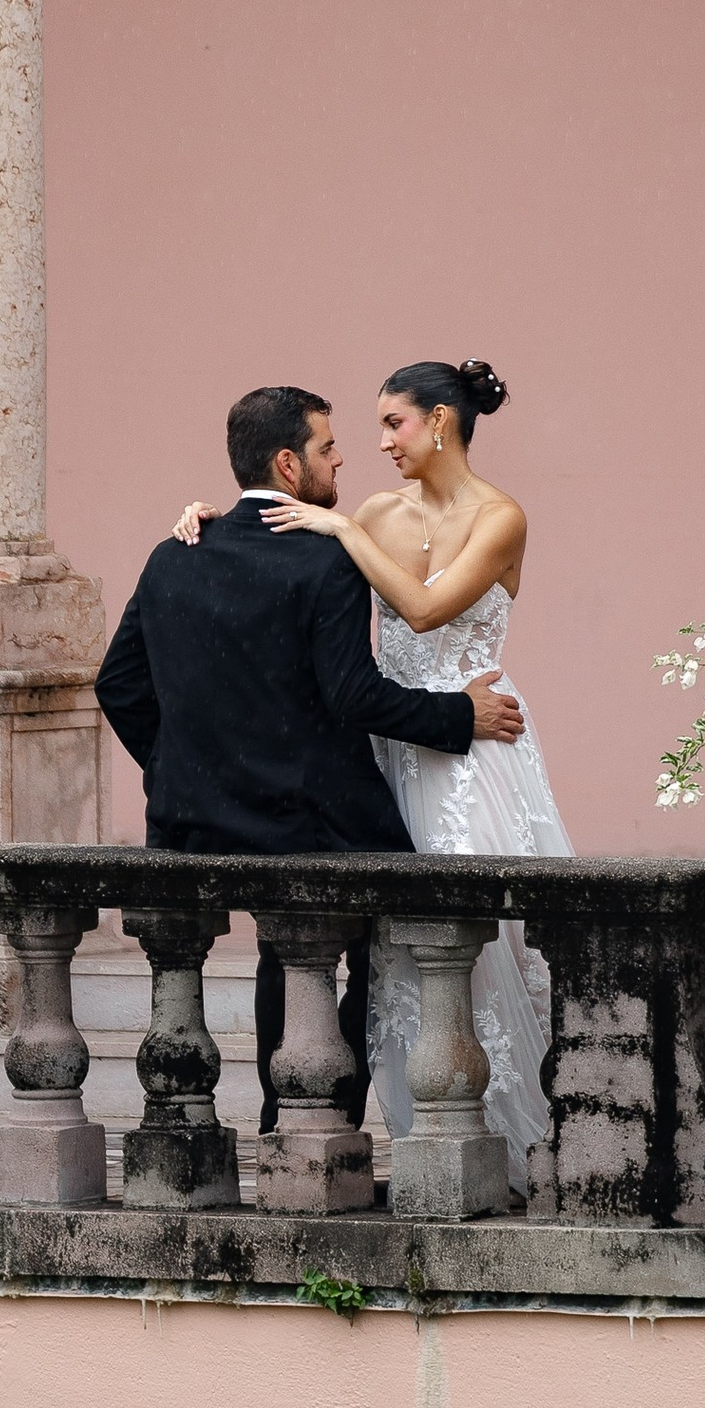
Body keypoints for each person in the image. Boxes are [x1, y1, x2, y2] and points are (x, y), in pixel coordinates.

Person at [170, 358, 571, 1161]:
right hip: (387, 744)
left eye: (393, 422)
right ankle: (394, 1126)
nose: (377, 443)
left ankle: (518, 1133)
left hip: (472, 745)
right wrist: (210, 523)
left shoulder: (500, 517)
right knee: (381, 952)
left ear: (441, 423)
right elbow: (289, 532)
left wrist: (346, 531)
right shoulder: (377, 509)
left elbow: (422, 610)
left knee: (483, 945)